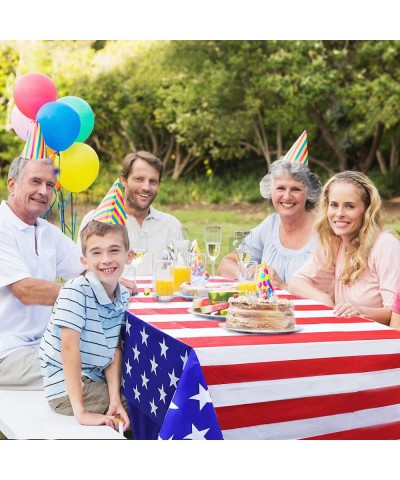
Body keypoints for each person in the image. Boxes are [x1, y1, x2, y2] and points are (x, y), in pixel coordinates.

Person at [39, 219, 133, 431]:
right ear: (84, 261)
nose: (106, 260)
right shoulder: (76, 291)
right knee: (140, 406)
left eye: (114, 250)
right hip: (67, 389)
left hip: (94, 378)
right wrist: (81, 412)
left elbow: (113, 351)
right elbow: (69, 349)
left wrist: (114, 397)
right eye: (96, 253)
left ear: (129, 255)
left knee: (136, 396)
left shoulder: (122, 295)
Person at [0, 156, 83, 390]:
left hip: (41, 345)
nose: (43, 191)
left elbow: (86, 269)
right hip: (6, 352)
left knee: (109, 358)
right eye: (35, 181)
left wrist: (114, 279)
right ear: (12, 184)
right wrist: (92, 290)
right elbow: (26, 291)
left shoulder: (45, 230)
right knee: (87, 376)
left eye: (50, 185)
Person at [288, 171, 400, 325]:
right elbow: (296, 282)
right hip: (346, 335)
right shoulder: (335, 242)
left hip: (377, 341)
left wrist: (359, 311)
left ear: (366, 211)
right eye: (334, 205)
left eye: (349, 206)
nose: (339, 214)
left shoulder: (385, 246)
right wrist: (326, 300)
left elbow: (395, 313)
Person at [78, 150, 182, 292]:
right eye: (139, 179)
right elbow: (79, 272)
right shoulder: (95, 220)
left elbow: (182, 273)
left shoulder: (171, 224)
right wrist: (107, 282)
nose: (146, 187)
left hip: (159, 306)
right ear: (124, 180)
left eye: (152, 181)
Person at [217, 157, 322, 289]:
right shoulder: (270, 225)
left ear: (308, 194)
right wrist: (248, 274)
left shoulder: (325, 230)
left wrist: (283, 286)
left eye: (296, 189)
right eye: (280, 188)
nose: (287, 196)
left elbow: (331, 291)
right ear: (271, 192)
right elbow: (226, 264)